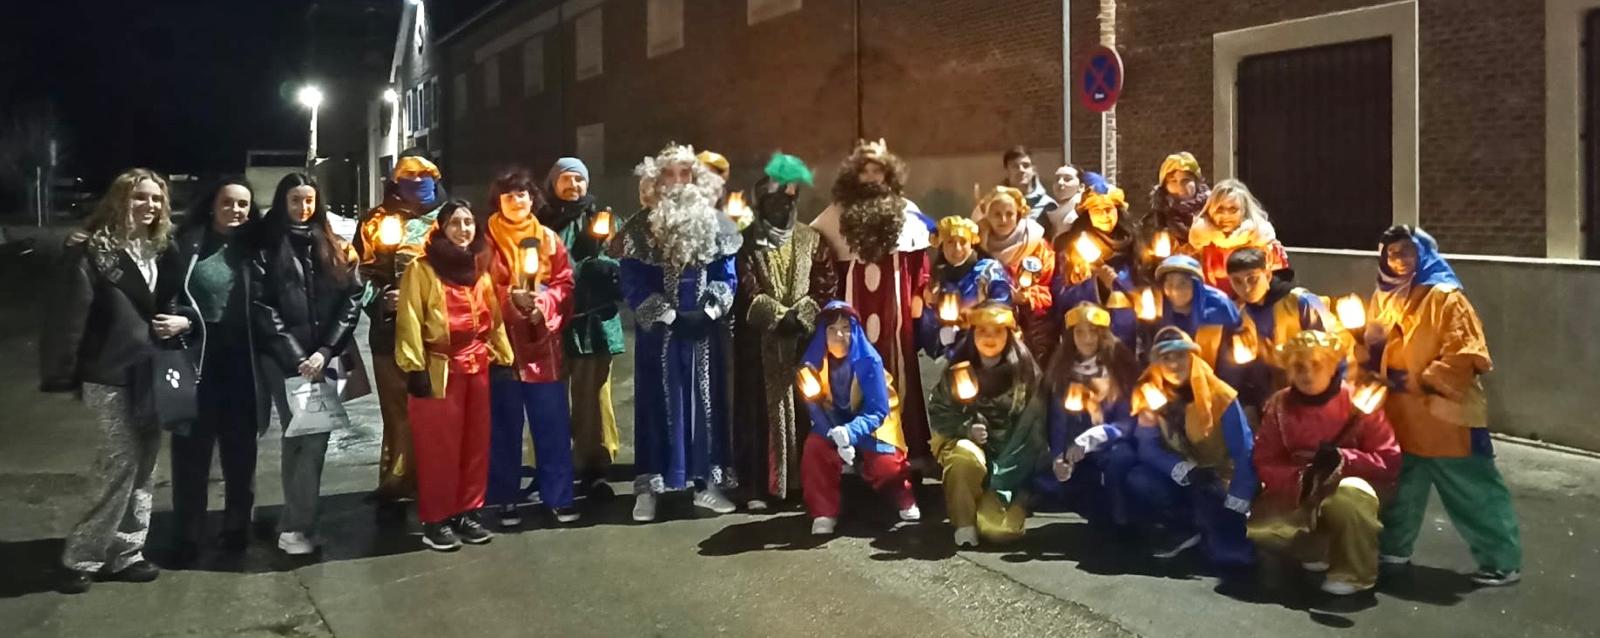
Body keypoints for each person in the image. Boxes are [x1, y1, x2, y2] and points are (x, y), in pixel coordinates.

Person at [40, 169, 180, 592]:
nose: (150, 206)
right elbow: (69, 315)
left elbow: (175, 300)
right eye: (141, 197)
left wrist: (181, 322)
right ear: (120, 200)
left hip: (151, 370)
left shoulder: (162, 249)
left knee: (145, 466)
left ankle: (127, 552)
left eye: (157, 199)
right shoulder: (92, 252)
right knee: (119, 462)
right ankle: (82, 555)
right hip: (109, 372)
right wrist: (63, 372)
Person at [1359, 226, 1522, 586]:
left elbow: (1466, 353)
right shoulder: (1385, 296)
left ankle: (1501, 560)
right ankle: (1393, 549)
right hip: (1402, 416)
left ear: (1424, 253)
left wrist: (1418, 381)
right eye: (1391, 253)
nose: (1398, 260)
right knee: (1401, 487)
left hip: (1447, 418)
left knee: (1473, 491)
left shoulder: (1447, 297)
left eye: (1406, 251)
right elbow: (1374, 345)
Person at [622, 143, 743, 522]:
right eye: (670, 174)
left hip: (705, 335)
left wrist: (708, 311)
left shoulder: (718, 224)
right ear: (657, 180)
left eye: (685, 173)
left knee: (706, 406)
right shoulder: (639, 227)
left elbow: (728, 274)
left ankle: (705, 485)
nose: (677, 181)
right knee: (656, 405)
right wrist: (671, 315)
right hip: (659, 336)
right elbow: (633, 280)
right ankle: (650, 489)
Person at [252, 173, 366, 556]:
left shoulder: (331, 244)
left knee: (300, 440)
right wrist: (298, 357)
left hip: (322, 358)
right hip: (286, 360)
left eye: (310, 200)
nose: (304, 207)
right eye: (296, 200)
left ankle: (295, 522)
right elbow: (263, 307)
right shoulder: (268, 246)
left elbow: (352, 297)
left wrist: (326, 351)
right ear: (283, 202)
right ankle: (295, 527)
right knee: (310, 439)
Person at [396, 200, 515, 550]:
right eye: (455, 224)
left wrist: (502, 358)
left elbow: (492, 318)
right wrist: (414, 366)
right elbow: (410, 318)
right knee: (438, 448)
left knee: (475, 445)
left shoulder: (480, 269)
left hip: (476, 367)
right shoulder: (422, 269)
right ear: (442, 228)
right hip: (438, 369)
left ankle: (467, 511)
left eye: (468, 223)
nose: (463, 230)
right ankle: (436, 519)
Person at [162, 176, 269, 564]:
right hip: (197, 359)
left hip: (244, 361)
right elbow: (165, 292)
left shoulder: (257, 245)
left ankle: (237, 527)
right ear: (213, 205)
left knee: (241, 451)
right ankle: (187, 534)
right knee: (191, 451)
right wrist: (183, 319)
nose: (236, 211)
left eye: (243, 204)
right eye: (228, 203)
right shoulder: (186, 242)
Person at [810, 139, 935, 465]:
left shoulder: (907, 211)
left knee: (900, 371)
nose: (870, 177)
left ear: (888, 174)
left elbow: (919, 263)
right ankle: (852, 447)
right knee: (849, 374)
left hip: (896, 315)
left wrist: (919, 298)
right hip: (853, 312)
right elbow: (822, 260)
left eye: (877, 170)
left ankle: (904, 447)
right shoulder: (836, 213)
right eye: (864, 171)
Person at [1248, 330, 1401, 596]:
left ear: (1332, 366)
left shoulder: (1358, 402)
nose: (1307, 374)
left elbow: (1388, 460)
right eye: (1298, 366)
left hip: (1350, 485)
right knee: (1263, 529)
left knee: (1349, 497)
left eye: (1316, 364)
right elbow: (1265, 458)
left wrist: (1345, 459)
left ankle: (1355, 571)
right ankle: (1317, 546)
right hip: (1303, 488)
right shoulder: (1279, 405)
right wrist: (1301, 476)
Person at [483, 170, 579, 526]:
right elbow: (479, 284)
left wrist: (544, 303)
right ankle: (504, 497)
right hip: (502, 347)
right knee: (504, 427)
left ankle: (558, 496)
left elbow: (564, 283)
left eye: (522, 194)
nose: (517, 201)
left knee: (552, 425)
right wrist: (509, 297)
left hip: (542, 347)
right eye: (509, 196)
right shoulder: (485, 239)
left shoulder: (548, 239)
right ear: (499, 201)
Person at [355, 150, 448, 507]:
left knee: (436, 408)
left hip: (436, 333)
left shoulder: (450, 218)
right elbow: (361, 275)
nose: (418, 185)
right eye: (409, 180)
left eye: (425, 178)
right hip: (390, 332)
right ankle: (396, 479)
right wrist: (379, 301)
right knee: (396, 409)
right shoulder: (376, 222)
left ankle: (437, 479)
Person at [732, 153, 823, 510]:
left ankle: (802, 484)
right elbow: (743, 285)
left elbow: (825, 281)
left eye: (786, 200)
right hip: (759, 344)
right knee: (758, 414)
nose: (779, 207)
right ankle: (759, 486)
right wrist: (773, 315)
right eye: (770, 201)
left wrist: (804, 314)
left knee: (806, 410)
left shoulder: (810, 239)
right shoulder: (745, 241)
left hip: (803, 340)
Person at [1124, 327, 1256, 568]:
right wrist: (1183, 469)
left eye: (1180, 355)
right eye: (1166, 358)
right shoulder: (1152, 393)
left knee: (1229, 555)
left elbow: (1244, 448)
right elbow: (1147, 445)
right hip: (1185, 475)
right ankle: (1184, 527)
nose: (1174, 364)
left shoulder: (1220, 396)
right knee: (1139, 479)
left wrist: (1238, 496)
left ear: (1192, 357)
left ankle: (1216, 527)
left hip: (1219, 477)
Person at [538, 157, 625, 500]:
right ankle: (554, 464)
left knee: (593, 397)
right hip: (553, 322)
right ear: (554, 183)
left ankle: (595, 467)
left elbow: (620, 257)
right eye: (566, 180)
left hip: (594, 320)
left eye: (579, 180)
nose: (573, 187)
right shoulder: (542, 220)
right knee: (551, 397)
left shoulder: (601, 217)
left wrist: (603, 266)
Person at [926, 302, 1047, 547]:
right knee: (963, 456)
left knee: (999, 531)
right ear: (972, 335)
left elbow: (1036, 428)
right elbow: (939, 411)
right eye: (982, 331)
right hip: (973, 453)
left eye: (997, 331)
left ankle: (1000, 502)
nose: (990, 338)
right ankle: (964, 523)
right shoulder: (958, 372)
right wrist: (965, 429)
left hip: (1010, 463)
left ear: (1009, 335)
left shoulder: (1026, 374)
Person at [798, 302, 920, 535]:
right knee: (814, 447)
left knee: (888, 465)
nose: (839, 335)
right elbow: (813, 406)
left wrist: (850, 433)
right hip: (832, 421)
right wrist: (833, 434)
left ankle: (901, 492)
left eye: (846, 328)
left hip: (871, 423)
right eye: (832, 329)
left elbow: (877, 410)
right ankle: (823, 510)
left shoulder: (869, 360)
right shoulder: (811, 364)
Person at [1033, 303, 1140, 526]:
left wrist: (1096, 437)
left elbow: (1128, 421)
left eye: (1093, 331)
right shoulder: (1062, 370)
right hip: (1076, 450)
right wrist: (1058, 458)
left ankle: (1123, 518)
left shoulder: (1119, 367)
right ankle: (1099, 516)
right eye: (1080, 332)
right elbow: (1058, 422)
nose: (1087, 338)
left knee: (1120, 462)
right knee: (1057, 484)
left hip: (1113, 443)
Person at [1226, 247, 1330, 414]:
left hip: (1310, 390)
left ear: (1267, 275)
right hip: (1267, 399)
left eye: (1252, 279)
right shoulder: (1240, 314)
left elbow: (1331, 350)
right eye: (1237, 281)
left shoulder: (1300, 301)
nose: (1246, 288)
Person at [1052, 172, 1137, 349]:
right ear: (1088, 214)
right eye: (1098, 211)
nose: (1105, 215)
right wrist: (1094, 284)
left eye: (1109, 209)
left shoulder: (1134, 245)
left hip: (1127, 336)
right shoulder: (1071, 248)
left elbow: (1144, 289)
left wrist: (1116, 284)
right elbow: (1061, 295)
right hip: (1086, 335)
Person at [977, 186, 1056, 365]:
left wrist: (1026, 297)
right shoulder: (978, 247)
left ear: (1018, 214)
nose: (1003, 219)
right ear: (987, 216)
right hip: (991, 329)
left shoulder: (1037, 245)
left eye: (1009, 213)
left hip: (1033, 330)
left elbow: (1048, 284)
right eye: (997, 214)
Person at [919, 216, 1010, 360]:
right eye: (950, 242)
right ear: (942, 246)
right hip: (948, 356)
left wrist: (969, 325)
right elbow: (926, 323)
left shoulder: (988, 272)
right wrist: (939, 336)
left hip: (985, 349)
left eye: (963, 242)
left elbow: (1003, 307)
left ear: (972, 244)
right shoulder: (935, 280)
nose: (957, 248)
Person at [1188, 179, 1289, 298]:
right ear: (1210, 210)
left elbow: (1279, 285)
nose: (1226, 215)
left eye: (1233, 209)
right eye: (1220, 209)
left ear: (1244, 211)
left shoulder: (1262, 242)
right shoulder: (1201, 244)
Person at [1153, 255, 1243, 378]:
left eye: (1182, 283)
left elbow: (1235, 353)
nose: (1174, 290)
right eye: (1169, 283)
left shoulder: (1220, 306)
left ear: (1195, 285)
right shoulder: (1156, 309)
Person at [1142, 151, 1210, 257]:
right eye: (1173, 181)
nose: (1180, 186)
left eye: (1186, 180)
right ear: (1165, 186)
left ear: (1196, 182)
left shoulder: (1212, 212)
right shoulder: (1156, 220)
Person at [1001, 145, 1056, 220]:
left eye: (1026, 165)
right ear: (1006, 171)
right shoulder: (993, 204)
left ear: (1034, 170)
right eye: (1015, 166)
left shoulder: (1048, 205)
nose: (1021, 170)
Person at [1040, 164, 1083, 242]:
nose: (1060, 182)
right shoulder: (1048, 215)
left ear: (1081, 187)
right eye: (1057, 179)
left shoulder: (1084, 212)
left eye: (1067, 179)